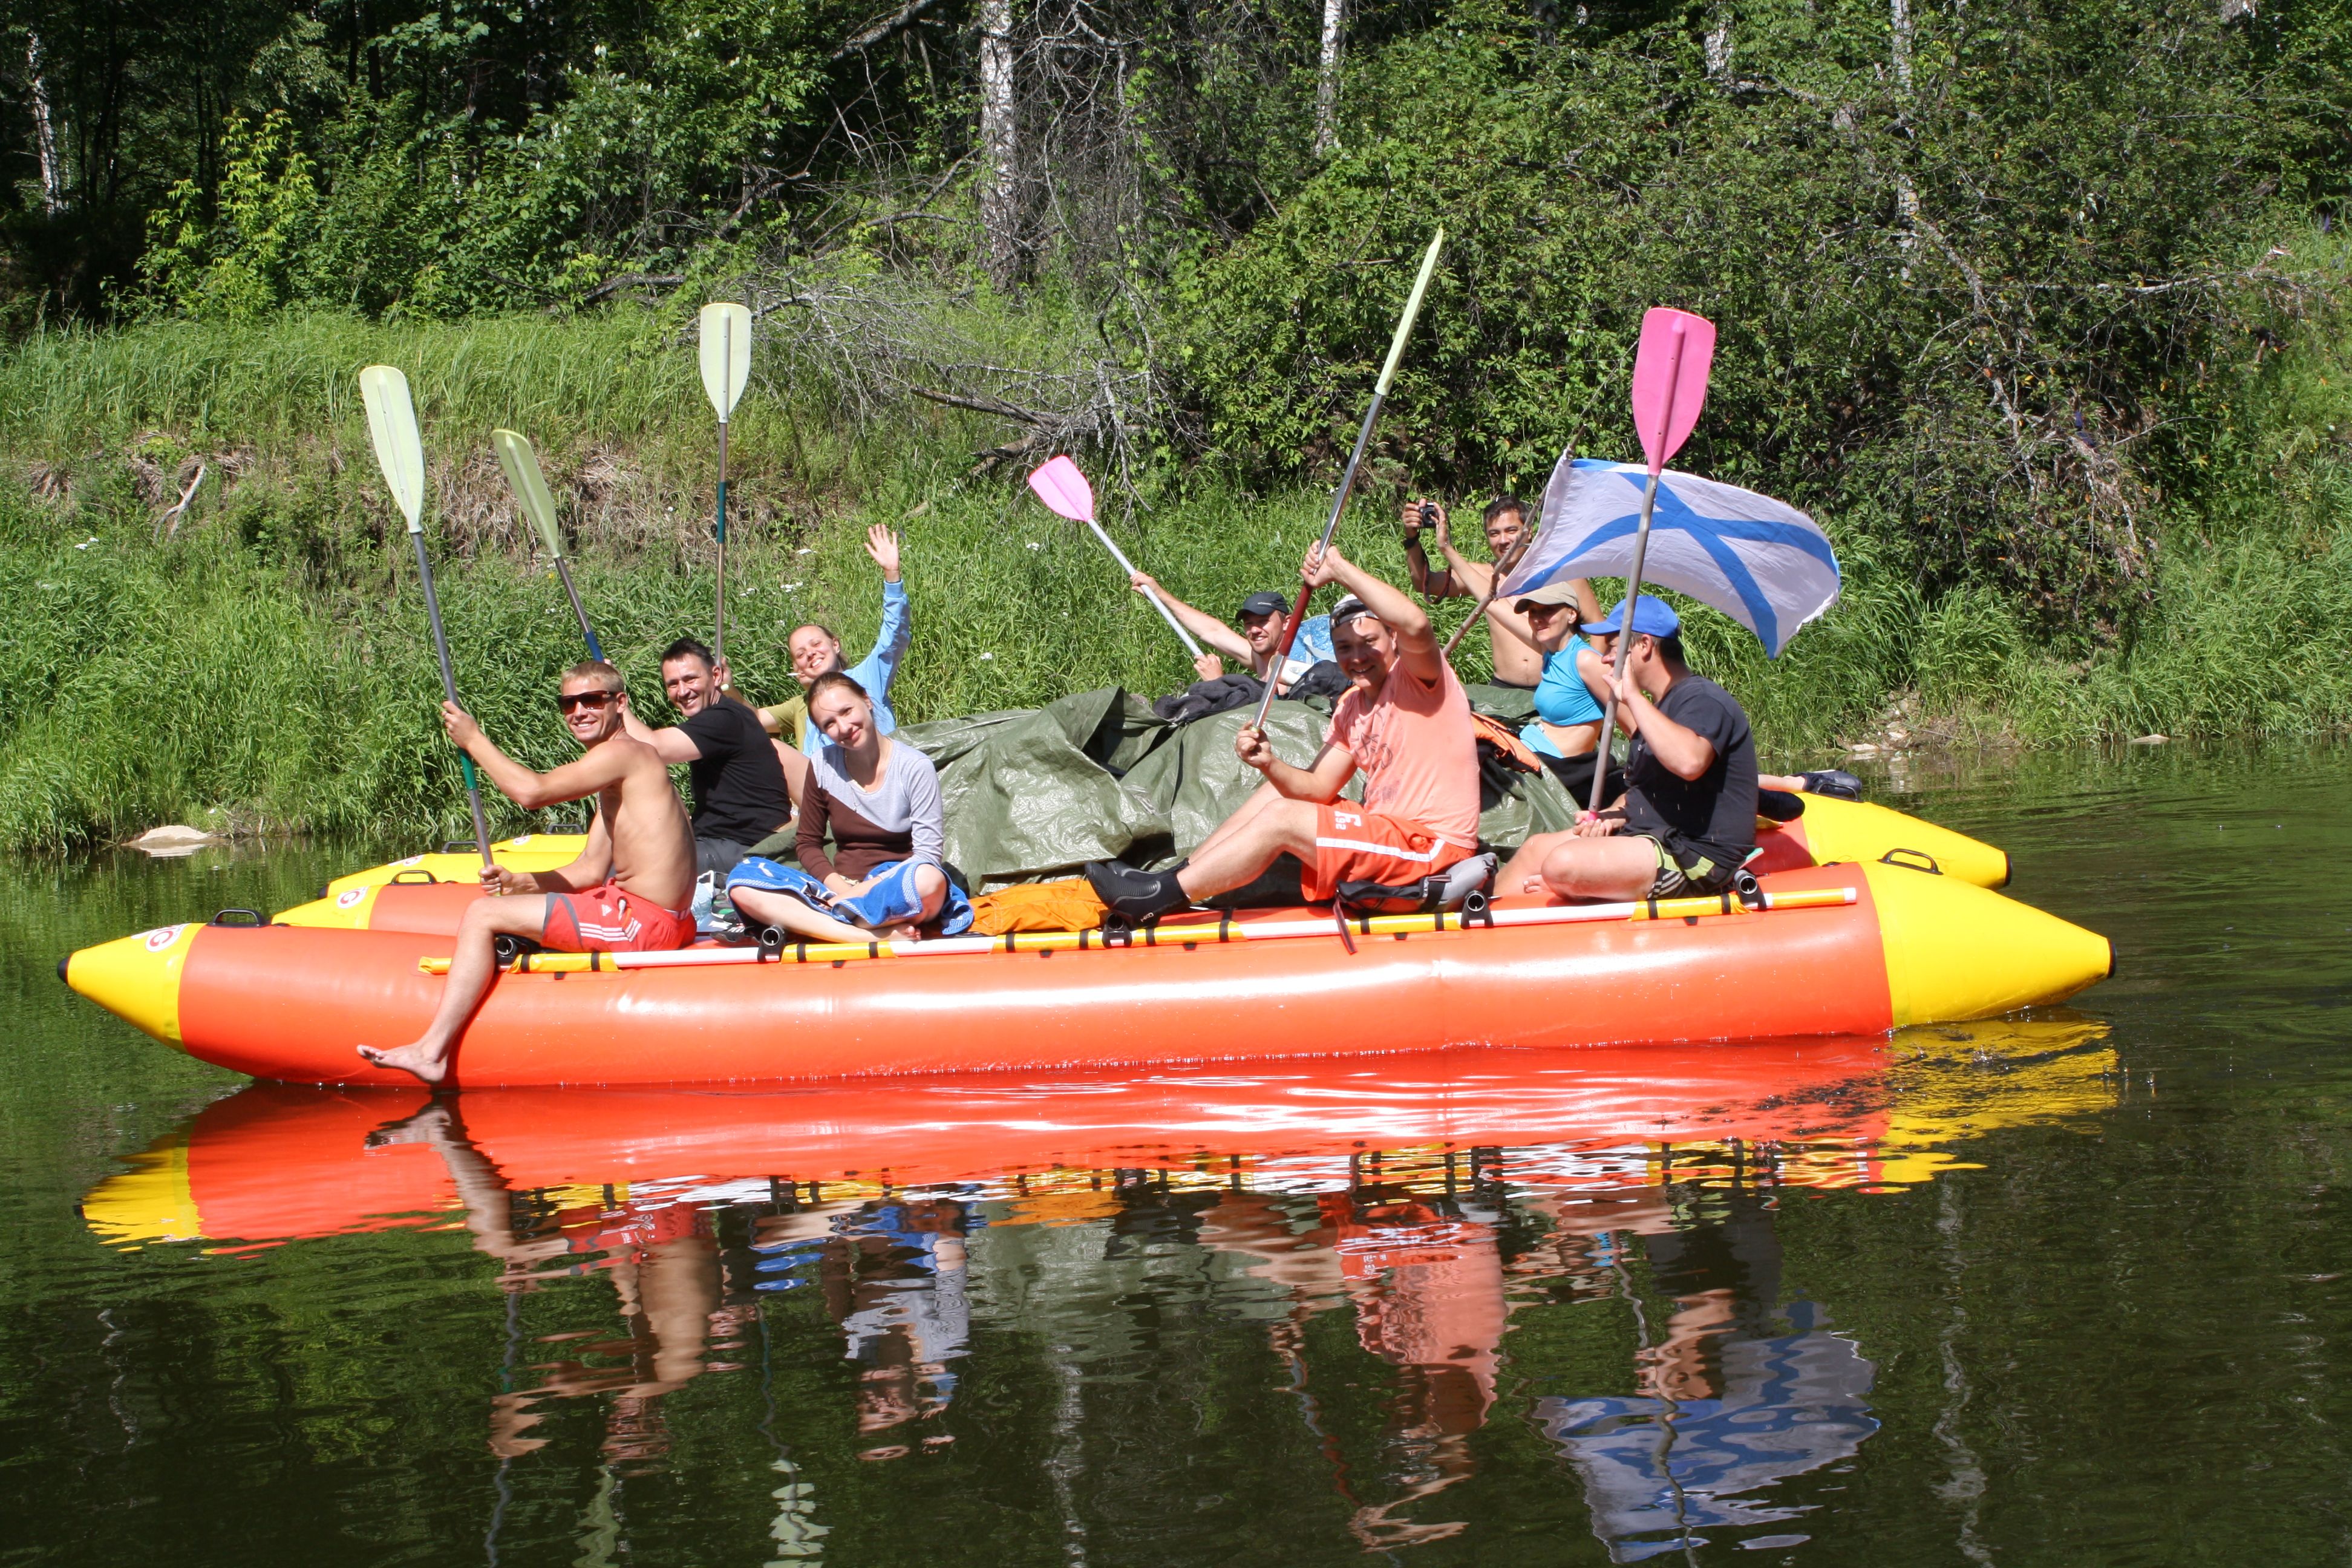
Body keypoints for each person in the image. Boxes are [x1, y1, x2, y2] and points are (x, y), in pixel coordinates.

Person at [1085, 543, 1481, 918]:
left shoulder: (1420, 679)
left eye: (1369, 642)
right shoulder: (1350, 706)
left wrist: (1339, 570)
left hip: (1434, 848)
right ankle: (1177, 876)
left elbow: (1415, 621)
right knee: (1280, 792)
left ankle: (1156, 898)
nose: (1357, 657)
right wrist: (1270, 764)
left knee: (1284, 819)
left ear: (1392, 638)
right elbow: (1317, 787)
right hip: (1389, 837)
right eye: (1344, 648)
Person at [358, 661, 697, 1085]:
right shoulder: (626, 771)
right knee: (504, 905)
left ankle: (431, 1051)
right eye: (568, 704)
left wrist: (473, 738)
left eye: (592, 700)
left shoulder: (623, 753)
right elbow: (590, 870)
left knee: (483, 915)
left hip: (641, 924)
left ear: (620, 704)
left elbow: (531, 793)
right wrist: (522, 883)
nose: (579, 711)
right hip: (653, 917)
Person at [1498, 596, 1759, 902]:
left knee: (1562, 864)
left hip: (1695, 854)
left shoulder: (1702, 700)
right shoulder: (1661, 707)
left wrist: (1633, 697)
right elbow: (1642, 790)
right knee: (1535, 849)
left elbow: (1690, 762)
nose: (1606, 659)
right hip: (1651, 835)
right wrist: (1610, 815)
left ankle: (1571, 892)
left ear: (1644, 645)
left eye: (1612, 647)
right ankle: (1478, 934)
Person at [726, 671, 973, 942]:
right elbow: (807, 843)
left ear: (866, 701)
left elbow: (927, 855)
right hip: (840, 888)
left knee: (930, 879)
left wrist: (859, 894)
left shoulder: (914, 767)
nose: (843, 727)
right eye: (830, 723)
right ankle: (867, 935)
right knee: (742, 880)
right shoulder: (823, 765)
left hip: (895, 887)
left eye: (847, 711)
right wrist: (840, 890)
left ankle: (826, 923)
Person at [622, 636, 799, 878]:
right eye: (672, 684)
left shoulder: (725, 718)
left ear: (716, 676)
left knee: (628, 865)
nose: (682, 691)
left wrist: (615, 703)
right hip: (723, 842)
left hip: (745, 850)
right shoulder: (721, 718)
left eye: (690, 679)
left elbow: (652, 748)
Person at [1400, 495, 1587, 688]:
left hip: (1557, 687)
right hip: (1503, 689)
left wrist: (1590, 683)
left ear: (1529, 531)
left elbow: (1598, 630)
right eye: (1494, 533)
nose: (1504, 540)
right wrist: (1412, 538)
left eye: (1512, 530)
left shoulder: (1562, 572)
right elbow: (1424, 584)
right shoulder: (1481, 575)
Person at [757, 524, 910, 753]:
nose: (810, 653)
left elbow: (894, 635)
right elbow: (752, 719)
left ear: (835, 644)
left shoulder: (866, 676)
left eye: (816, 644)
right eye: (800, 654)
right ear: (796, 667)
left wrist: (892, 575)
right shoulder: (804, 706)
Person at [1488, 578, 1625, 809]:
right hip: (1530, 748)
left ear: (1571, 615)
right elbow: (1494, 604)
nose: (1538, 619)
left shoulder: (1586, 660)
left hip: (1555, 767)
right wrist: (1448, 552)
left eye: (1548, 610)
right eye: (1533, 612)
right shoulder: (1551, 653)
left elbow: (1631, 719)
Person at [1124, 574, 1337, 694]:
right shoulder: (1259, 657)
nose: (1254, 630)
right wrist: (1159, 595)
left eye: (1263, 622)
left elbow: (1270, 714)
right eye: (1249, 624)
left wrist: (1217, 683)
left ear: (1286, 623)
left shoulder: (1291, 664)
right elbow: (1213, 631)